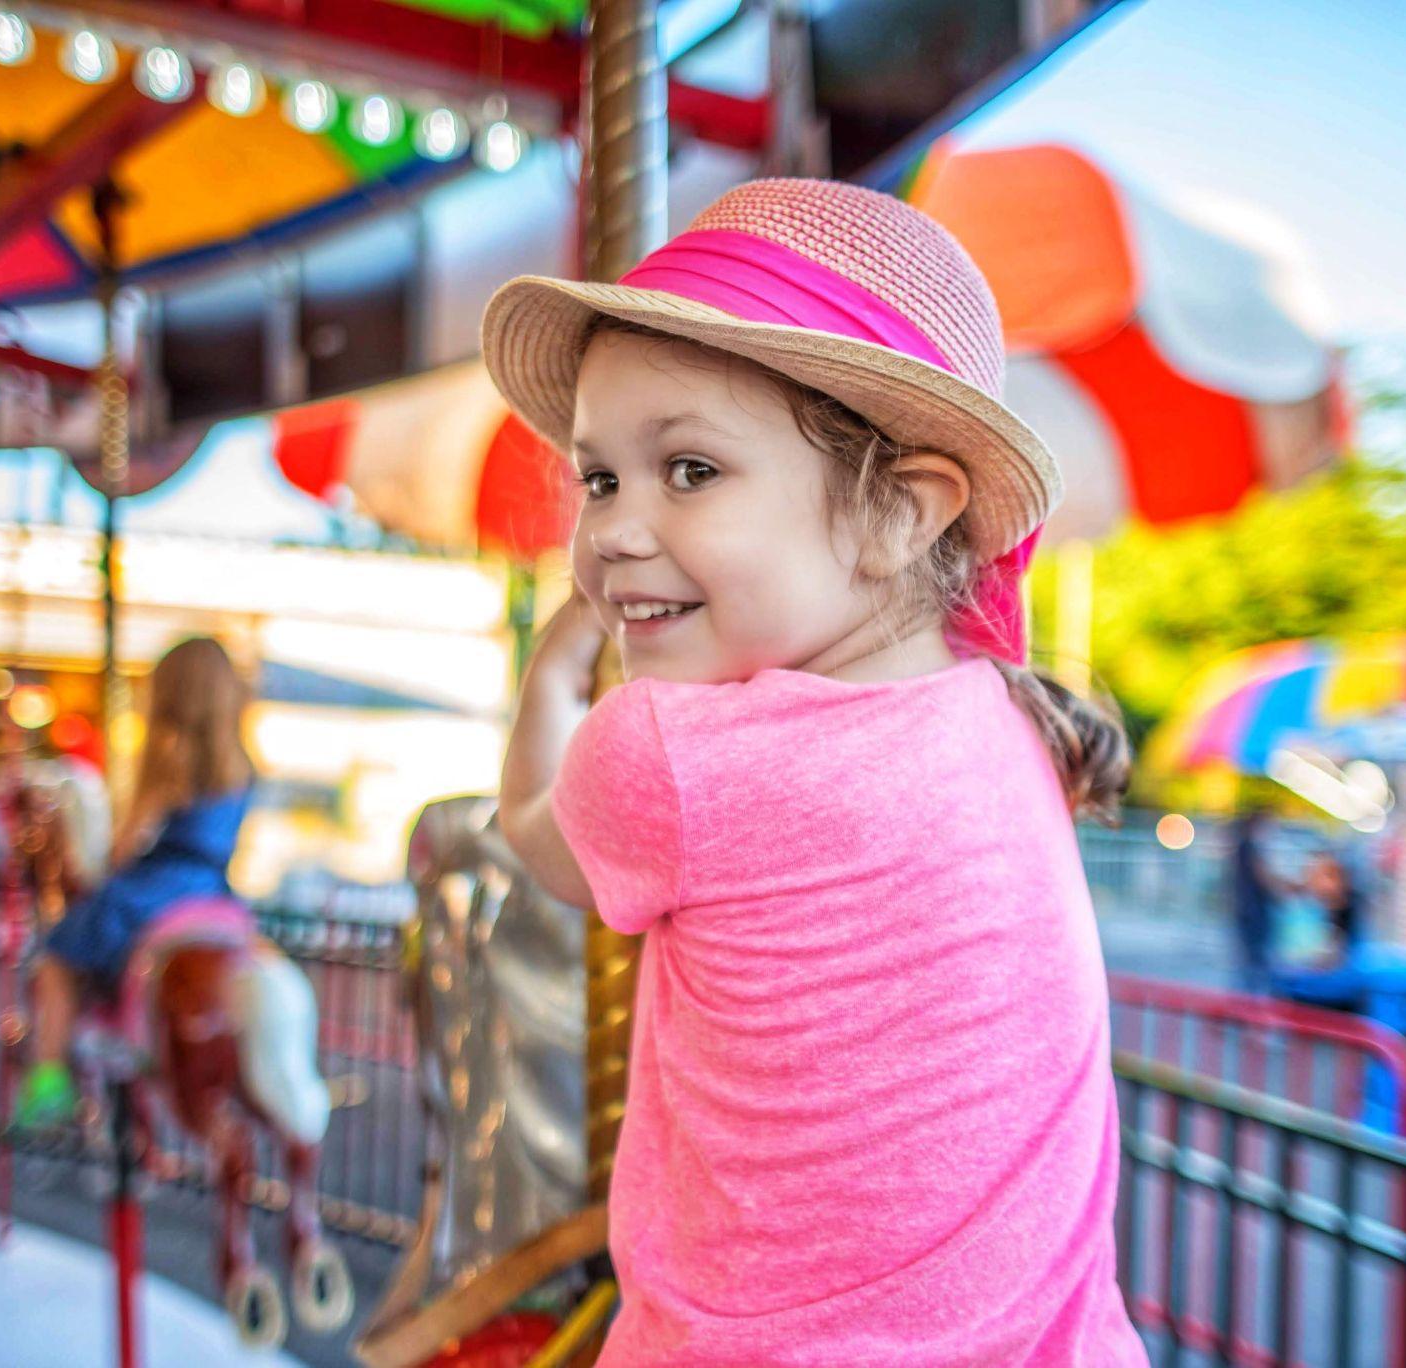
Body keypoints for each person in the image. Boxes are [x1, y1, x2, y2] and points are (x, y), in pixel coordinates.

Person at [488, 180, 1144, 1365]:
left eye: (689, 471)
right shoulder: (1007, 720)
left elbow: (531, 835)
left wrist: (549, 679)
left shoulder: (671, 753)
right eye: (598, 478)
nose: (613, 532)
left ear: (899, 513)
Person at [14, 637, 255, 1127]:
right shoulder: (242, 766)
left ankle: (49, 1077)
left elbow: (123, 846)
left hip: (155, 890)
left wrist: (106, 857)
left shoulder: (168, 758)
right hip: (214, 895)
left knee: (59, 957)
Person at [1231, 810, 1280, 992]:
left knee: (1250, 963)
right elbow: (1263, 878)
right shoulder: (1249, 848)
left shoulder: (1245, 847)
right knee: (1254, 964)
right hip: (1253, 913)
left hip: (1249, 911)